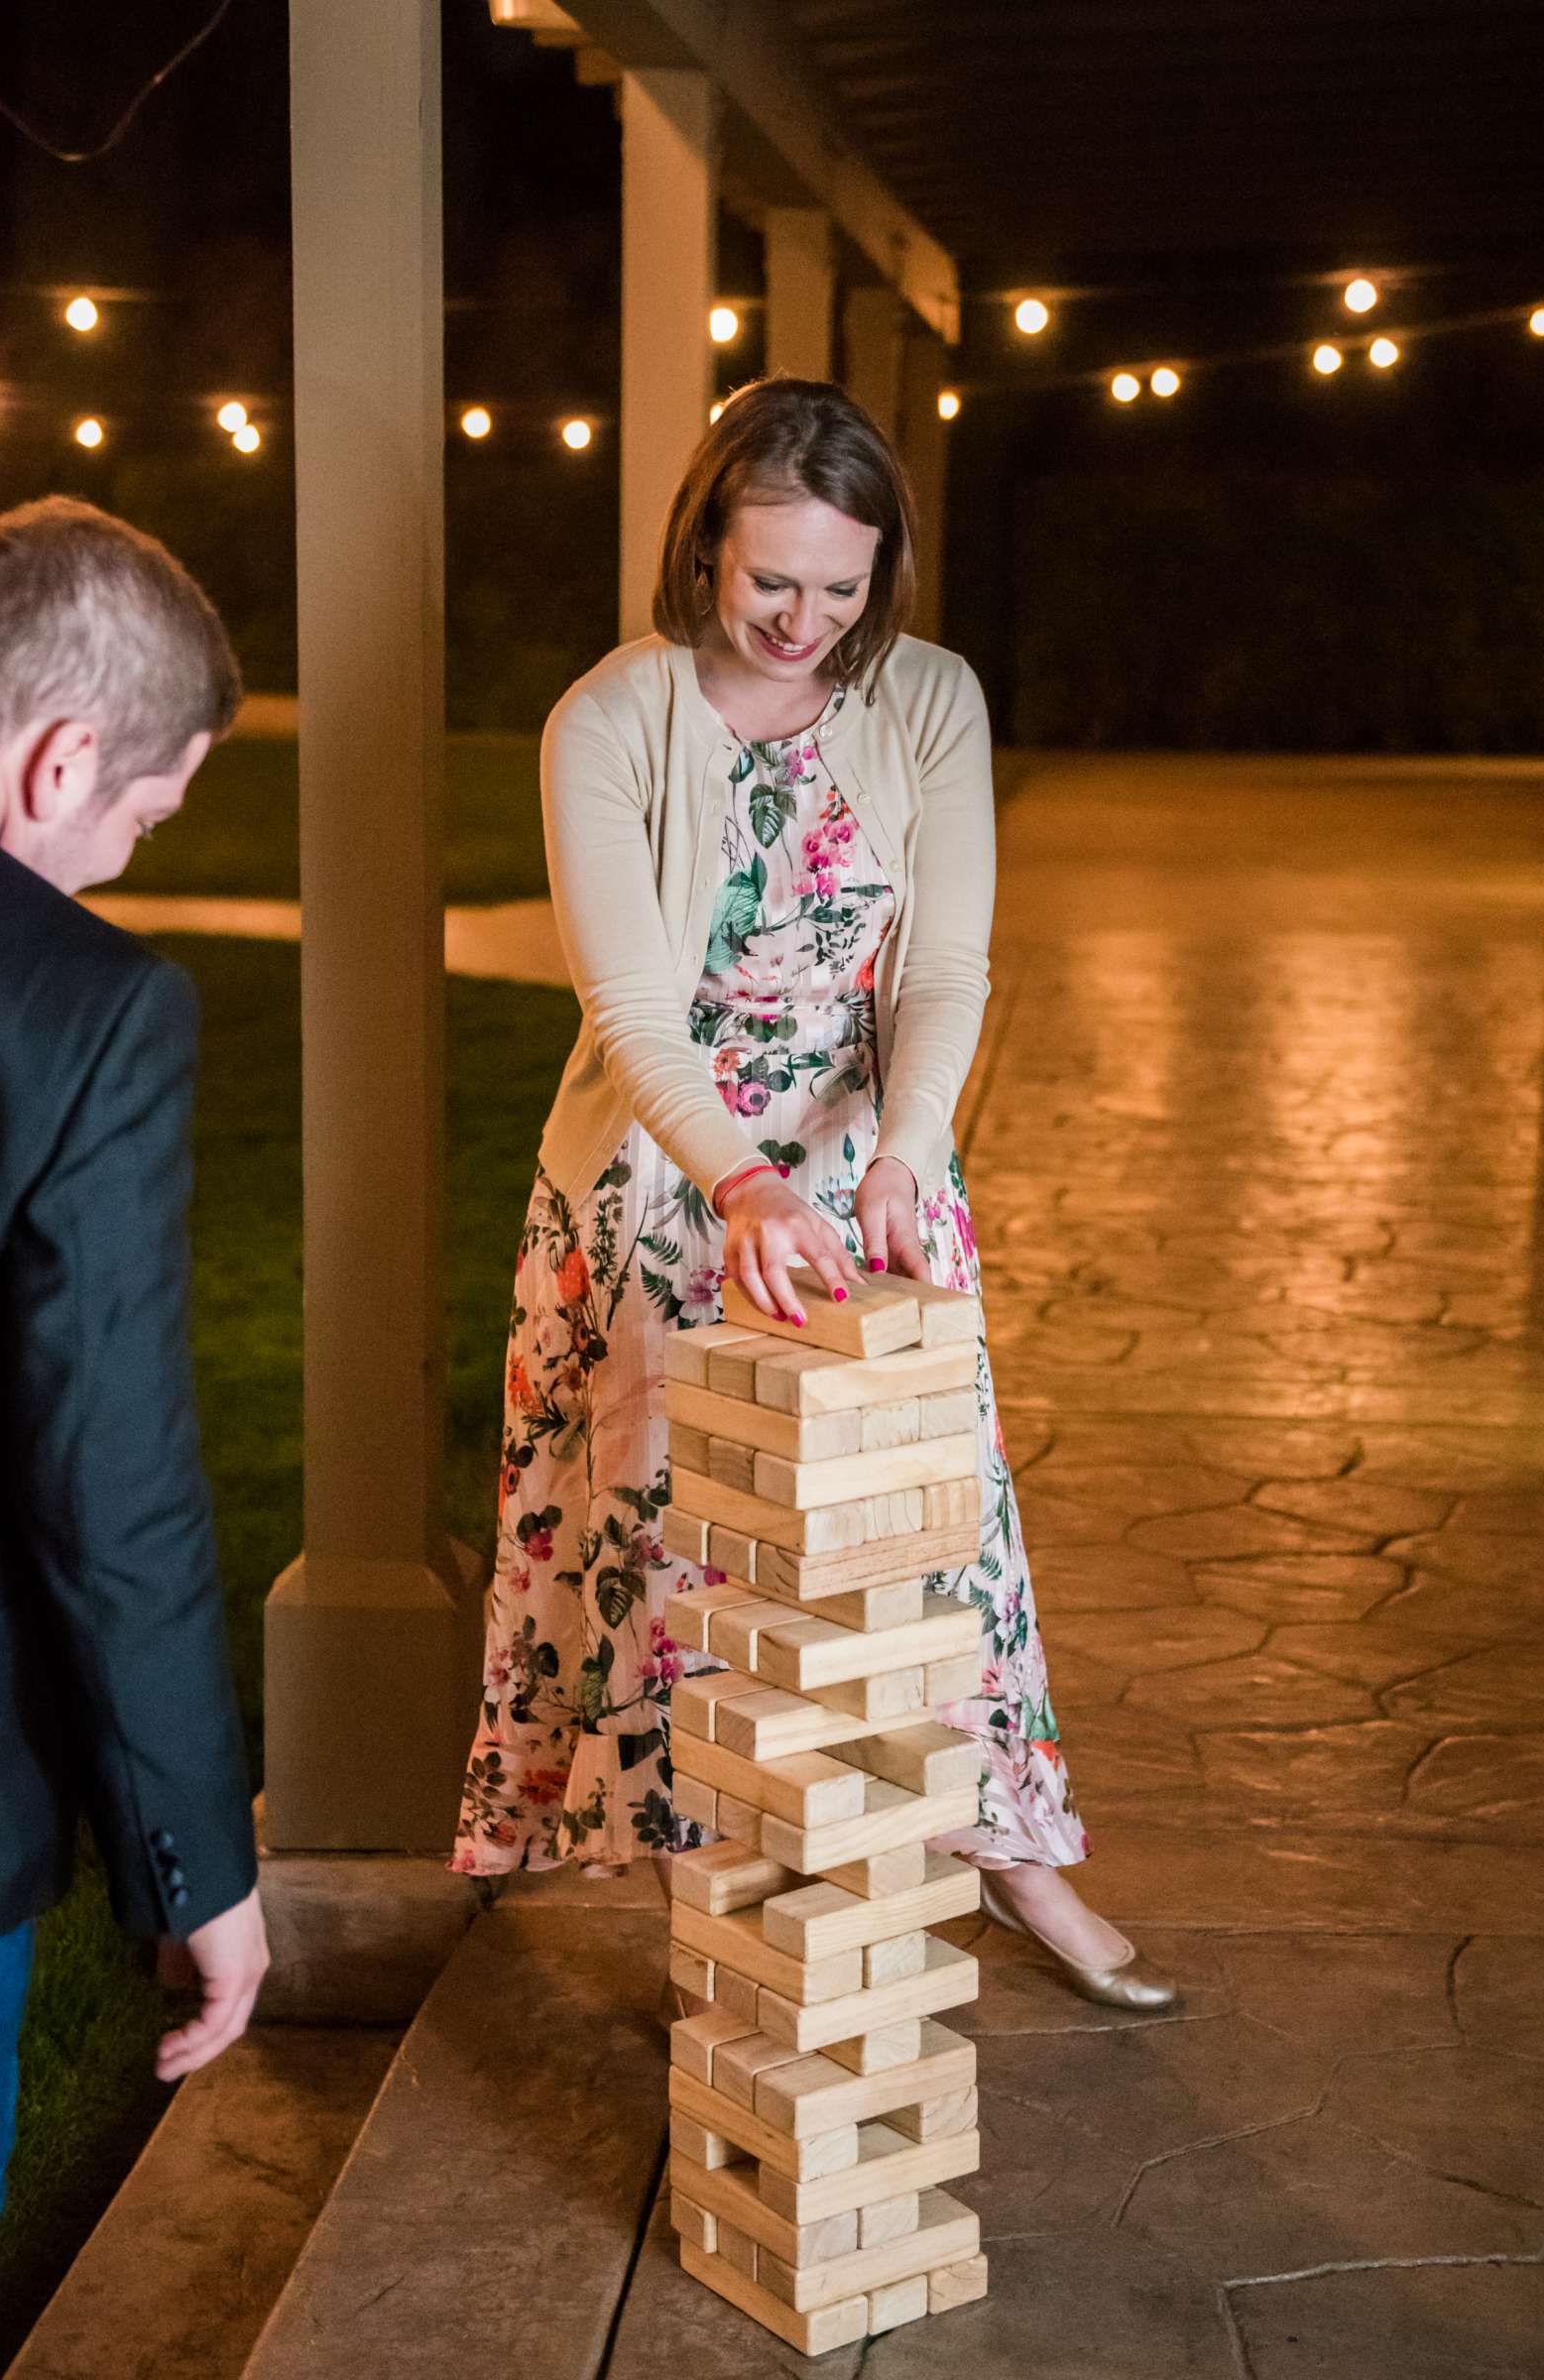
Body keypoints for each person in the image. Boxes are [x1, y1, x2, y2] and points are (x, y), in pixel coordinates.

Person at [451, 380, 1175, 2010]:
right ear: (704, 542)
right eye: (772, 580)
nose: (804, 620)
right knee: (676, 1527)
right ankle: (725, 1894)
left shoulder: (929, 701)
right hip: (667, 1162)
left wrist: (905, 1151)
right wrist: (746, 1185)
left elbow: (948, 963)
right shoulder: (608, 721)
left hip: (868, 1158)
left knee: (936, 1522)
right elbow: (632, 1012)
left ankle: (1007, 1851)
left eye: (842, 589)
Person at [0, 496, 270, 2213]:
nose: (122, 871)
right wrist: (201, 1862)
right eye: (143, 821)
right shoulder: (91, 1007)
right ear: (59, 760)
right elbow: (112, 1477)